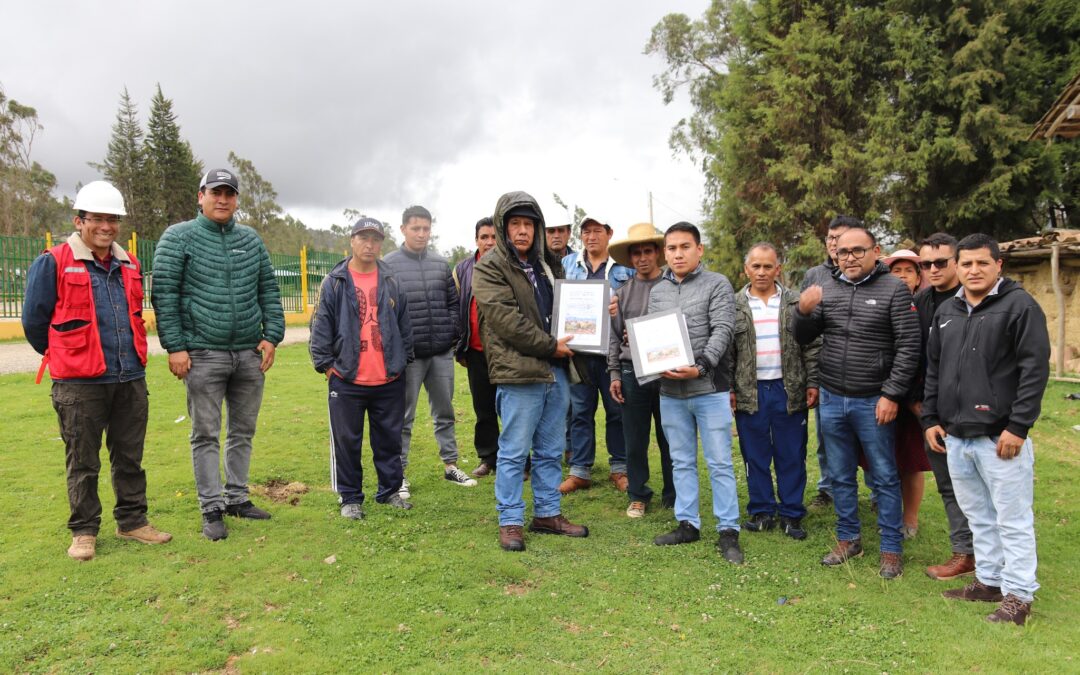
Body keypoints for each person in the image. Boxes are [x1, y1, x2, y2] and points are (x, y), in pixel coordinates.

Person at [22, 181, 171, 561]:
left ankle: (133, 521)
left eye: (112, 219)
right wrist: (67, 354)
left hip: (129, 377)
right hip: (78, 384)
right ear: (79, 220)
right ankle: (84, 531)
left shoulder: (130, 263)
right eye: (97, 219)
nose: (106, 226)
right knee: (83, 460)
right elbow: (35, 323)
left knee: (129, 456)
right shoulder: (53, 261)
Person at [923, 233, 1050, 626]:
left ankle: (1018, 596)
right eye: (966, 264)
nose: (973, 270)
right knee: (978, 516)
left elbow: (1034, 370)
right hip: (957, 437)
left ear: (999, 265)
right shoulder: (947, 310)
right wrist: (930, 418)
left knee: (1012, 519)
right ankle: (989, 582)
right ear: (957, 268)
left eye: (982, 263)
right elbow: (934, 369)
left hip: (1000, 438)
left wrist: (1019, 426)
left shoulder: (1020, 307)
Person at [152, 168, 285, 541]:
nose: (222, 199)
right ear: (201, 196)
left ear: (237, 199)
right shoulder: (178, 238)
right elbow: (164, 294)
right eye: (215, 192)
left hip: (247, 353)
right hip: (202, 353)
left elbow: (268, 292)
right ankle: (211, 507)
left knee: (243, 430)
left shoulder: (250, 239)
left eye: (229, 193)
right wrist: (176, 346)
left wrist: (272, 336)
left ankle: (237, 498)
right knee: (205, 433)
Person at [793, 224, 920, 579]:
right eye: (843, 252)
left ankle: (891, 547)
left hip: (873, 401)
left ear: (875, 251)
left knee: (883, 475)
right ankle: (849, 538)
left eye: (857, 251)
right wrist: (802, 312)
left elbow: (909, 348)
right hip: (832, 398)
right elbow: (804, 337)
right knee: (840, 474)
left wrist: (892, 394)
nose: (848, 257)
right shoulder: (827, 287)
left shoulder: (894, 289)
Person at [472, 191, 588, 552]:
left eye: (529, 224)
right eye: (515, 224)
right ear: (504, 227)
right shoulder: (489, 267)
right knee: (514, 451)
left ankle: (547, 513)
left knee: (552, 449)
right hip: (519, 373)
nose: (522, 231)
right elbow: (507, 321)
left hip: (556, 371)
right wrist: (550, 345)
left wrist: (597, 316)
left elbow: (568, 311)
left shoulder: (549, 265)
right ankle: (509, 519)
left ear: (537, 228)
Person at [649, 222, 743, 564]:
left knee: (719, 462)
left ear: (699, 249)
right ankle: (687, 523)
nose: (677, 253)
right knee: (681, 461)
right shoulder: (657, 291)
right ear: (665, 252)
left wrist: (701, 365)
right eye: (671, 248)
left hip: (708, 388)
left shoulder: (717, 283)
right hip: (670, 391)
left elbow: (724, 329)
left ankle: (728, 530)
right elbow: (653, 337)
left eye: (684, 246)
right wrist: (650, 358)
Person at [309, 217, 414, 518]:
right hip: (347, 378)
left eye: (376, 239)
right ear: (352, 240)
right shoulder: (335, 281)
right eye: (364, 238)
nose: (370, 245)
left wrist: (401, 362)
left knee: (389, 440)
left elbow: (404, 325)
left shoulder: (392, 280)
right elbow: (321, 326)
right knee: (347, 442)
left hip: (388, 378)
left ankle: (390, 491)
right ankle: (350, 498)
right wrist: (327, 366)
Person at [730, 243, 820, 541]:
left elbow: (812, 345)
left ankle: (792, 514)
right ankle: (762, 510)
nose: (762, 272)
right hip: (750, 390)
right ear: (747, 269)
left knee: (791, 453)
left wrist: (812, 382)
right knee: (754, 453)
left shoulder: (796, 302)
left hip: (788, 388)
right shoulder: (734, 305)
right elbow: (728, 352)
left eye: (768, 266)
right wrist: (730, 388)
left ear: (777, 269)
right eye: (756, 266)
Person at [384, 205, 475, 495]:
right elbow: (385, 312)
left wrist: (451, 332)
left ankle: (450, 466)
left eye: (426, 228)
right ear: (403, 230)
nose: (422, 234)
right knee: (404, 416)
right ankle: (399, 474)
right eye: (415, 228)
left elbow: (453, 303)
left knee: (445, 412)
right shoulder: (389, 265)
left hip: (440, 354)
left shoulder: (440, 263)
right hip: (409, 357)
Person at [913, 232, 976, 580]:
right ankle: (964, 553)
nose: (933, 269)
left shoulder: (977, 300)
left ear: (957, 262)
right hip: (934, 414)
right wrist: (918, 407)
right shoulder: (920, 303)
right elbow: (912, 356)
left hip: (980, 414)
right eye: (926, 264)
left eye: (941, 262)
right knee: (949, 485)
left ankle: (995, 559)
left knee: (986, 488)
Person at [559, 215, 634, 494]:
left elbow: (635, 304)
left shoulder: (624, 268)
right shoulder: (568, 265)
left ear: (609, 233)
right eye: (586, 231)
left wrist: (625, 318)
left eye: (597, 231)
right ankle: (580, 470)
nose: (591, 237)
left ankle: (620, 468)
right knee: (579, 411)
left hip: (613, 353)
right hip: (578, 353)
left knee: (617, 411)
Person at [607, 223, 675, 518]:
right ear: (630, 257)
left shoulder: (674, 288)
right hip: (631, 371)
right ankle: (638, 494)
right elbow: (613, 336)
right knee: (634, 437)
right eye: (637, 253)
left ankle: (674, 494)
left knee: (670, 436)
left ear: (658, 254)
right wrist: (614, 374)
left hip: (668, 372)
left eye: (648, 251)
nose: (643, 257)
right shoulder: (621, 295)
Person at [802, 215, 857, 509]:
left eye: (841, 237)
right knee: (827, 437)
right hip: (826, 370)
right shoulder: (814, 275)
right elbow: (804, 329)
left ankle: (875, 492)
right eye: (830, 238)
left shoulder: (874, 272)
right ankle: (828, 489)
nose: (835, 243)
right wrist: (811, 377)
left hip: (864, 373)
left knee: (871, 440)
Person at [882, 248, 931, 541]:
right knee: (883, 456)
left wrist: (915, 397)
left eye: (908, 271)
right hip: (881, 393)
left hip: (913, 396)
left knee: (911, 460)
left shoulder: (924, 309)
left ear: (917, 278)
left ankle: (909, 517)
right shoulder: (881, 303)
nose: (901, 277)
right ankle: (886, 507)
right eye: (895, 271)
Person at [453, 217, 500, 477]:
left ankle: (521, 461)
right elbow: (456, 309)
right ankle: (488, 458)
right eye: (484, 237)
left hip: (505, 353)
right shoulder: (463, 270)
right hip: (475, 351)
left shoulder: (510, 266)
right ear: (476, 240)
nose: (489, 242)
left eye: (494, 237)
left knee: (513, 409)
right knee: (483, 409)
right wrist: (460, 348)